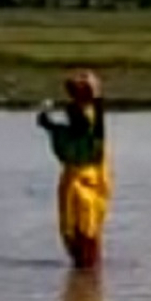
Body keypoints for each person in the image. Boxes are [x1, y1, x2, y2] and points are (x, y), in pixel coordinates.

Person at [37, 71, 110, 269]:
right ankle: (85, 271)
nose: (75, 115)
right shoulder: (87, 136)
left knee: (82, 230)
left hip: (83, 184)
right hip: (81, 184)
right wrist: (95, 93)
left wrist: (45, 110)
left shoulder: (76, 135)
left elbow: (44, 122)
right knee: (83, 230)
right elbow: (45, 123)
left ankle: (84, 269)